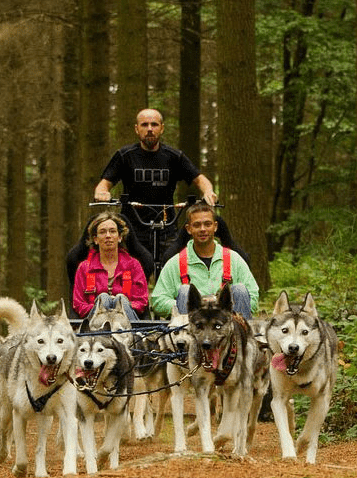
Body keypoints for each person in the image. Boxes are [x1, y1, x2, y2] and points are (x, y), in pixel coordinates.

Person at [93, 108, 217, 260]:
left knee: (170, 269)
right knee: (135, 273)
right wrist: (102, 193)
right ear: (136, 129)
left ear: (162, 128)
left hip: (167, 227)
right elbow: (103, 184)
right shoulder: (125, 155)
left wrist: (208, 191)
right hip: (132, 229)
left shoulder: (174, 156)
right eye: (144, 125)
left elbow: (199, 179)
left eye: (154, 124)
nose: (150, 129)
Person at [150, 203, 259, 319]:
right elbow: (158, 301)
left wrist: (224, 304)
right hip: (190, 329)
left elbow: (253, 298)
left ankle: (241, 337)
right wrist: (193, 303)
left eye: (207, 224)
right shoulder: (175, 263)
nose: (203, 229)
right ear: (188, 229)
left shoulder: (234, 259)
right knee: (185, 291)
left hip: (228, 329)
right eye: (197, 225)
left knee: (240, 290)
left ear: (215, 227)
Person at [72, 212, 148, 322]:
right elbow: (79, 304)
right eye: (102, 232)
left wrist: (119, 306)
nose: (108, 236)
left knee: (120, 299)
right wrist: (102, 308)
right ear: (96, 239)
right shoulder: (84, 268)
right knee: (103, 298)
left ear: (120, 237)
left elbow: (141, 301)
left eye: (112, 231)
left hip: (127, 324)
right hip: (95, 326)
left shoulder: (133, 266)